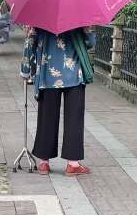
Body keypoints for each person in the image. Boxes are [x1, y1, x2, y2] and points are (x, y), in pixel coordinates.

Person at [20, 26, 95, 176]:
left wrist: (26, 70)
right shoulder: (78, 17)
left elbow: (29, 44)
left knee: (47, 118)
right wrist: (88, 30)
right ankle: (73, 164)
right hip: (73, 74)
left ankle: (44, 163)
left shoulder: (40, 17)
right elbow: (90, 42)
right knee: (74, 119)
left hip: (48, 75)